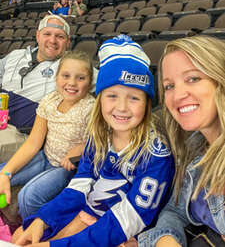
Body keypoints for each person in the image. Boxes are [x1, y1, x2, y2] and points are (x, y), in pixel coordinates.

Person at [12, 35, 175, 247]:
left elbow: (127, 221)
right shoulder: (99, 137)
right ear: (99, 100)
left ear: (147, 103)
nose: (122, 107)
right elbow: (79, 186)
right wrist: (43, 219)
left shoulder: (156, 156)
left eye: (134, 97)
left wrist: (57, 243)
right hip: (86, 213)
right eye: (112, 96)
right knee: (21, 236)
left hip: (118, 232)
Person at [138, 35, 225, 247]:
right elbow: (176, 209)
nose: (177, 96)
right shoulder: (195, 146)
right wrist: (166, 240)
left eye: (193, 79)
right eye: (169, 86)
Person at [0, 50, 95, 220]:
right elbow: (33, 143)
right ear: (56, 78)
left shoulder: (91, 108)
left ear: (90, 83)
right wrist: (6, 173)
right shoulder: (49, 101)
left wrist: (81, 148)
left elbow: (99, 143)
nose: (72, 83)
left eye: (81, 78)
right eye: (66, 76)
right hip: (45, 157)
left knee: (28, 197)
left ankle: (33, 231)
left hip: (66, 168)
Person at [0, 14, 71, 162]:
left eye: (60, 36)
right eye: (47, 34)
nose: (52, 40)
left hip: (22, 134)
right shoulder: (15, 55)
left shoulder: (73, 66)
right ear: (38, 36)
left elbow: (110, 80)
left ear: (68, 42)